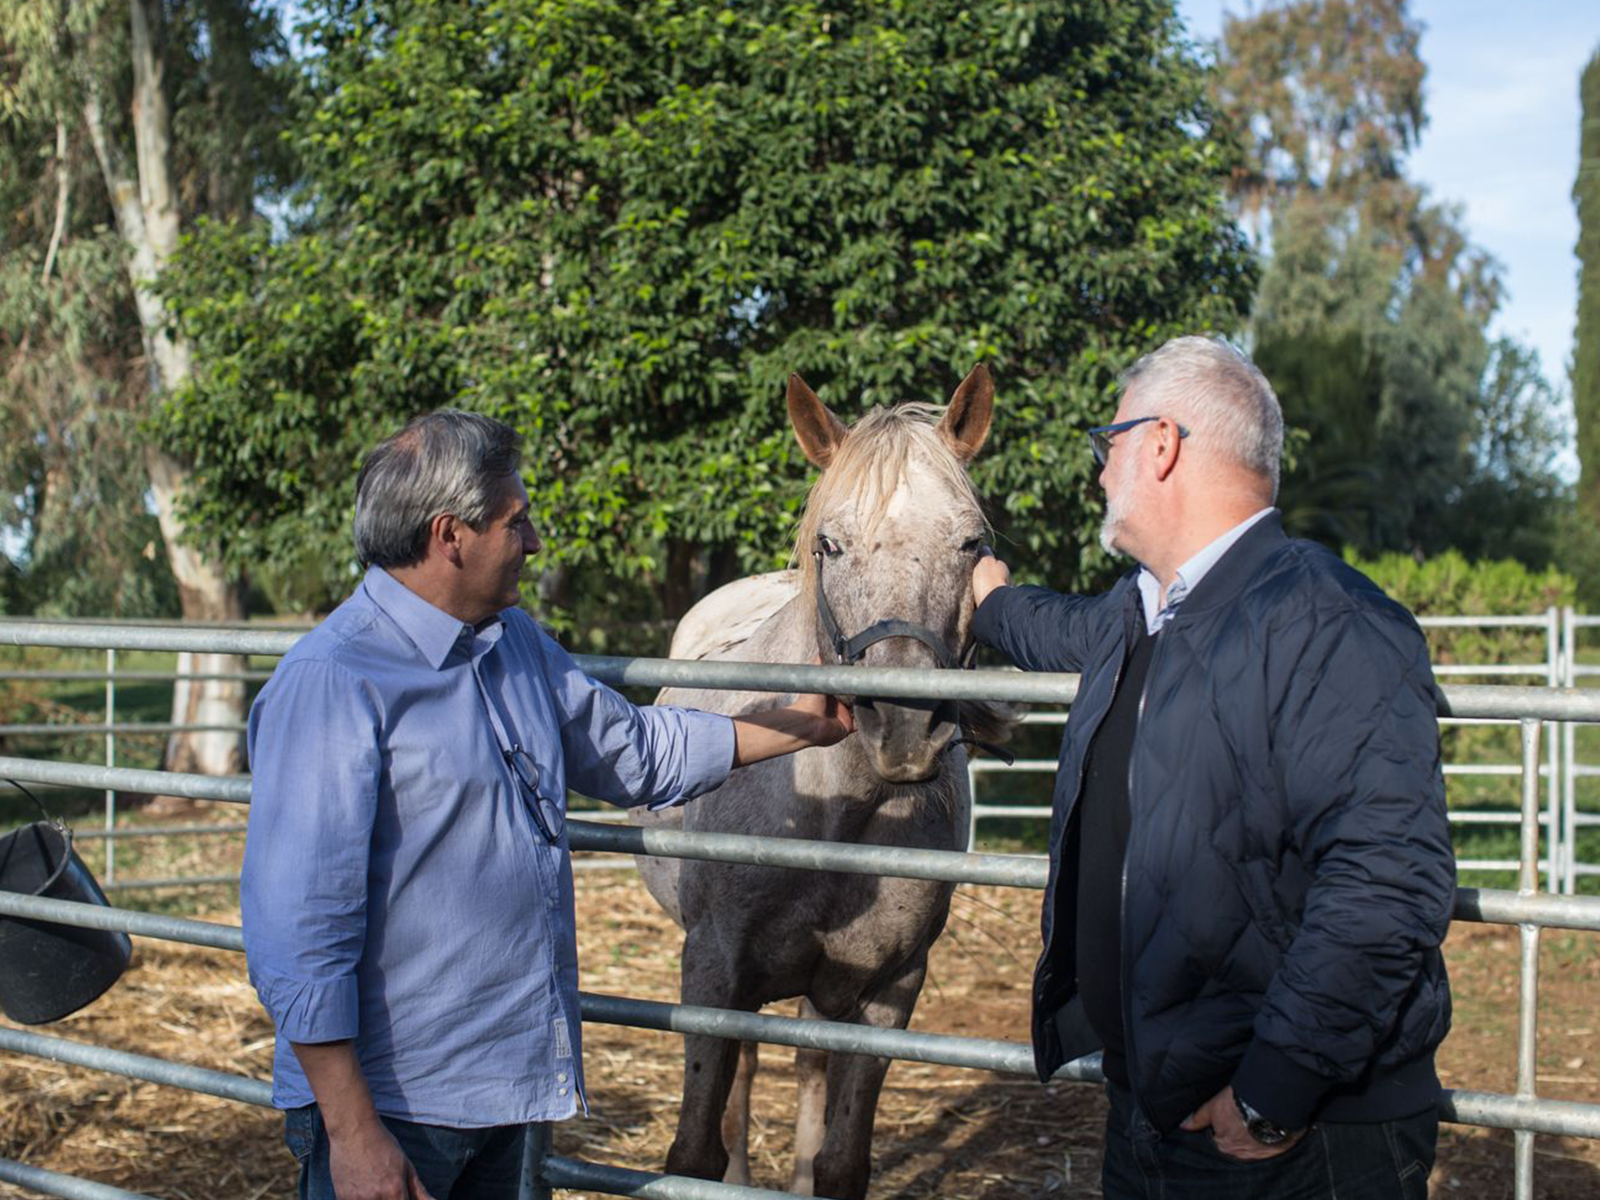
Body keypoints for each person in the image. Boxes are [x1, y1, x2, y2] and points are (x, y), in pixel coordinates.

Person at [241, 409, 854, 1200]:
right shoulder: (335, 682)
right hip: (396, 1109)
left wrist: (800, 724)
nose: (533, 542)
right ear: (448, 534)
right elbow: (297, 930)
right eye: (516, 521)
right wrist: (353, 1132)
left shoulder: (512, 645)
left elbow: (633, 751)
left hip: (516, 1086)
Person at [970, 336, 1455, 1199]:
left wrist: (1275, 1092)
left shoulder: (1330, 622)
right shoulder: (1143, 613)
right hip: (1154, 1108)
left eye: (1106, 443)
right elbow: (1056, 629)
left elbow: (1386, 884)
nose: (1099, 472)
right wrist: (991, 601)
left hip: (1293, 1138)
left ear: (1159, 445)